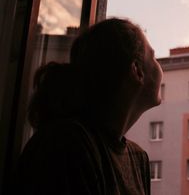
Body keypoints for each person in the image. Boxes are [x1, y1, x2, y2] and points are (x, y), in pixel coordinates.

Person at [15, 18, 163, 195]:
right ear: (137, 70)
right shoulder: (65, 146)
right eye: (153, 57)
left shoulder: (138, 159)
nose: (159, 65)